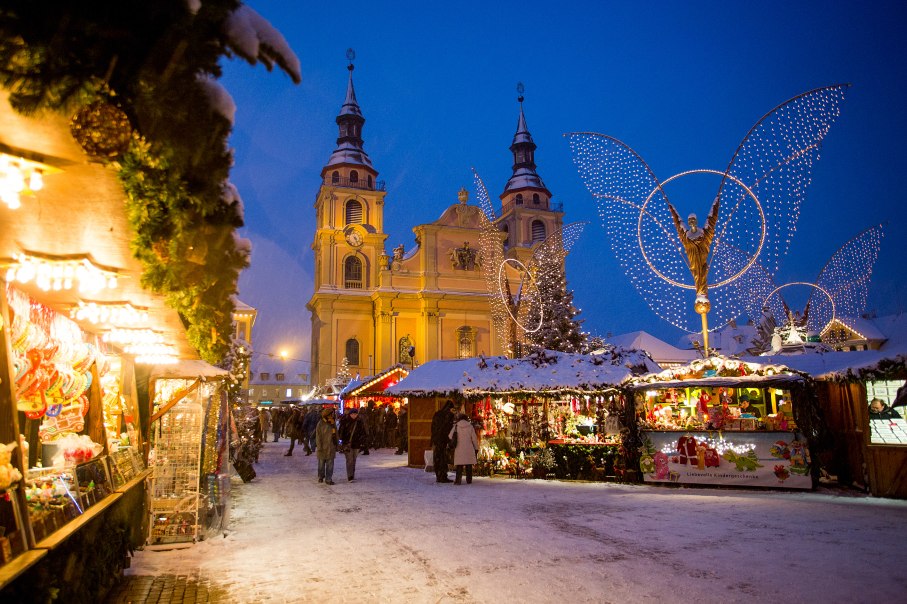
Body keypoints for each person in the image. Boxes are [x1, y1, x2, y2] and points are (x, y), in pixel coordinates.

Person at [667, 199, 720, 297]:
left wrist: (717, 201)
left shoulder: (704, 235)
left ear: (696, 221)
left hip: (702, 264)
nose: (691, 222)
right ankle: (701, 295)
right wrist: (671, 208)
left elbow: (712, 220)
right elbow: (678, 224)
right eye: (689, 220)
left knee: (702, 277)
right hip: (694, 266)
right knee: (698, 278)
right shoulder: (686, 237)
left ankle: (702, 295)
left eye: (693, 220)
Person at [449, 413, 479, 485]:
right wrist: (476, 447)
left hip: (459, 448)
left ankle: (458, 480)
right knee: (469, 465)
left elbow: (450, 436)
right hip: (469, 448)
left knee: (459, 465)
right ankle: (469, 480)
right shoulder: (470, 426)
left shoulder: (456, 426)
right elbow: (474, 438)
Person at [339, 407, 367, 481]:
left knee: (354, 460)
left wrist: (362, 440)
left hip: (356, 443)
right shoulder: (345, 421)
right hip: (347, 443)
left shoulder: (359, 422)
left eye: (355, 414)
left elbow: (363, 432)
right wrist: (343, 441)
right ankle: (350, 476)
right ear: (350, 414)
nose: (354, 415)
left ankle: (352, 474)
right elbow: (341, 432)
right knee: (349, 460)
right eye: (353, 414)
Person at [430, 400, 455, 483]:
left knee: (437, 457)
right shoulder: (449, 415)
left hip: (436, 439)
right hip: (443, 439)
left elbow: (432, 427)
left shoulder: (437, 414)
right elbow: (449, 428)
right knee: (443, 458)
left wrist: (434, 437)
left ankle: (438, 475)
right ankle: (443, 476)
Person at [315, 408, 338, 485]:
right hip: (322, 447)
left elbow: (336, 435)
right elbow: (318, 436)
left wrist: (337, 444)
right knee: (321, 464)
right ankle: (321, 476)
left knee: (330, 464)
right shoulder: (320, 423)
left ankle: (328, 479)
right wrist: (319, 446)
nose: (332, 415)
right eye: (331, 414)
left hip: (331, 447)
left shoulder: (332, 423)